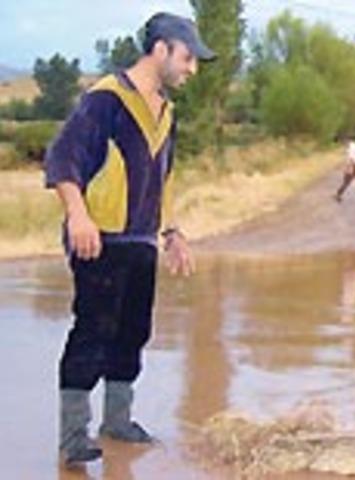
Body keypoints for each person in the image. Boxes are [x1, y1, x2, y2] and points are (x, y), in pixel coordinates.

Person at [44, 12, 215, 466]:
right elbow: (63, 158)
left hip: (140, 240)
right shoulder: (106, 100)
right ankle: (72, 437)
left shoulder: (166, 111)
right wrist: (78, 215)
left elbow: (165, 177)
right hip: (98, 239)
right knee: (93, 332)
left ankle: (117, 421)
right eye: (187, 58)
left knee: (133, 333)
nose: (191, 69)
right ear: (160, 49)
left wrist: (172, 231)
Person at [334, 136, 355, 204]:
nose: (342, 143)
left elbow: (351, 159)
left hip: (354, 165)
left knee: (347, 181)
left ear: (347, 140)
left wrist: (348, 169)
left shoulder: (350, 148)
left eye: (343, 142)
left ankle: (338, 194)